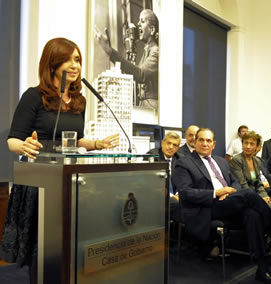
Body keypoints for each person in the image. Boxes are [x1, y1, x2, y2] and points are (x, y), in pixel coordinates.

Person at [0, 38, 119, 284]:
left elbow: (78, 139)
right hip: (40, 181)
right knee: (42, 250)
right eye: (68, 59)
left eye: (77, 59)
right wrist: (25, 145)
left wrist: (98, 144)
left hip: (69, 180)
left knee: (69, 245)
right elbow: (12, 139)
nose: (74, 65)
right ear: (52, 64)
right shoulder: (34, 96)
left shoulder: (79, 101)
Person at [173, 128, 271, 283]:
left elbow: (235, 182)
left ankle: (261, 266)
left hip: (229, 202)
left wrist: (230, 192)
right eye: (201, 140)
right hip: (208, 206)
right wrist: (217, 192)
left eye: (208, 141)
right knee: (248, 194)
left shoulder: (221, 161)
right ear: (194, 142)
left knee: (252, 214)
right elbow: (186, 193)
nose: (205, 144)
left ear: (214, 144)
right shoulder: (184, 163)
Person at [95, 9, 159, 109]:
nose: (138, 25)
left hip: (151, 108)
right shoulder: (146, 51)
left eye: (142, 21)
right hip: (145, 106)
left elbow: (141, 74)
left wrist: (111, 52)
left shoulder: (155, 51)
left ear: (152, 30)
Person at [230, 131, 271, 210]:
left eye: (252, 144)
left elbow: (258, 183)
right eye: (245, 143)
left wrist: (265, 196)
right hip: (245, 196)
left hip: (256, 194)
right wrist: (259, 199)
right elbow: (243, 184)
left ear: (257, 147)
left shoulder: (257, 161)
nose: (248, 146)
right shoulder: (237, 160)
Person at [147, 131, 183, 221]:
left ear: (178, 148)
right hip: (158, 195)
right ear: (163, 143)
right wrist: (171, 196)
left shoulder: (180, 159)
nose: (171, 147)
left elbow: (183, 179)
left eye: (175, 145)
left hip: (176, 197)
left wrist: (179, 194)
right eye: (168, 143)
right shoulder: (152, 156)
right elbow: (151, 182)